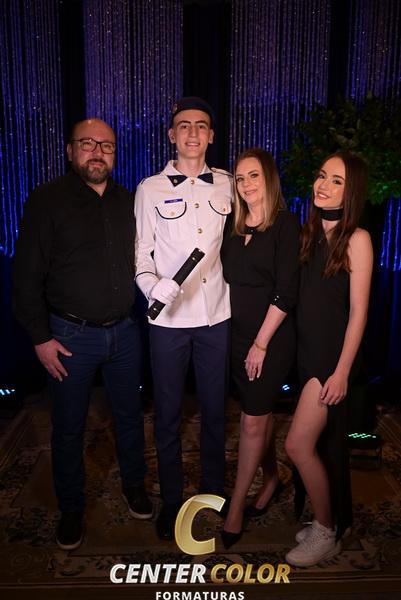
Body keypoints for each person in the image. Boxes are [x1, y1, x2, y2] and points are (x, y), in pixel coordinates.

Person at [12, 118, 152, 551]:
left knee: (130, 418)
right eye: (88, 143)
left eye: (106, 145)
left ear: (115, 153)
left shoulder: (127, 201)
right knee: (69, 427)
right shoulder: (47, 200)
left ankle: (134, 487)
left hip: (125, 333)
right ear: (70, 150)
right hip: (70, 336)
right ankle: (72, 507)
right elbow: (25, 275)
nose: (97, 152)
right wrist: (40, 338)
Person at [134, 97, 232, 540]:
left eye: (201, 125)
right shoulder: (149, 189)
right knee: (168, 415)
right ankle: (172, 500)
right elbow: (141, 253)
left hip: (216, 317)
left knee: (215, 412)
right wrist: (151, 286)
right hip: (167, 321)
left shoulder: (228, 184)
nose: (193, 132)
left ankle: (212, 493)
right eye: (184, 126)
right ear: (172, 135)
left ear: (211, 135)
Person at [284, 151, 373, 567]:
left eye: (337, 181)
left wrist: (341, 372)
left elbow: (359, 313)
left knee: (297, 445)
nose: (323, 185)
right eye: (322, 176)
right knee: (321, 445)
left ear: (351, 191)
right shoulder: (311, 231)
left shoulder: (357, 238)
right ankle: (331, 518)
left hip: (330, 360)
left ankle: (326, 530)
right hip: (307, 354)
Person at [220, 147, 300, 549]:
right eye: (240, 178)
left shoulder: (286, 225)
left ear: (269, 178)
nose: (246, 184)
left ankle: (236, 507)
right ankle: (271, 478)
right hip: (236, 337)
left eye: (253, 175)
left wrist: (261, 343)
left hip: (270, 340)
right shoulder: (233, 225)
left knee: (252, 421)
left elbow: (287, 292)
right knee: (258, 414)